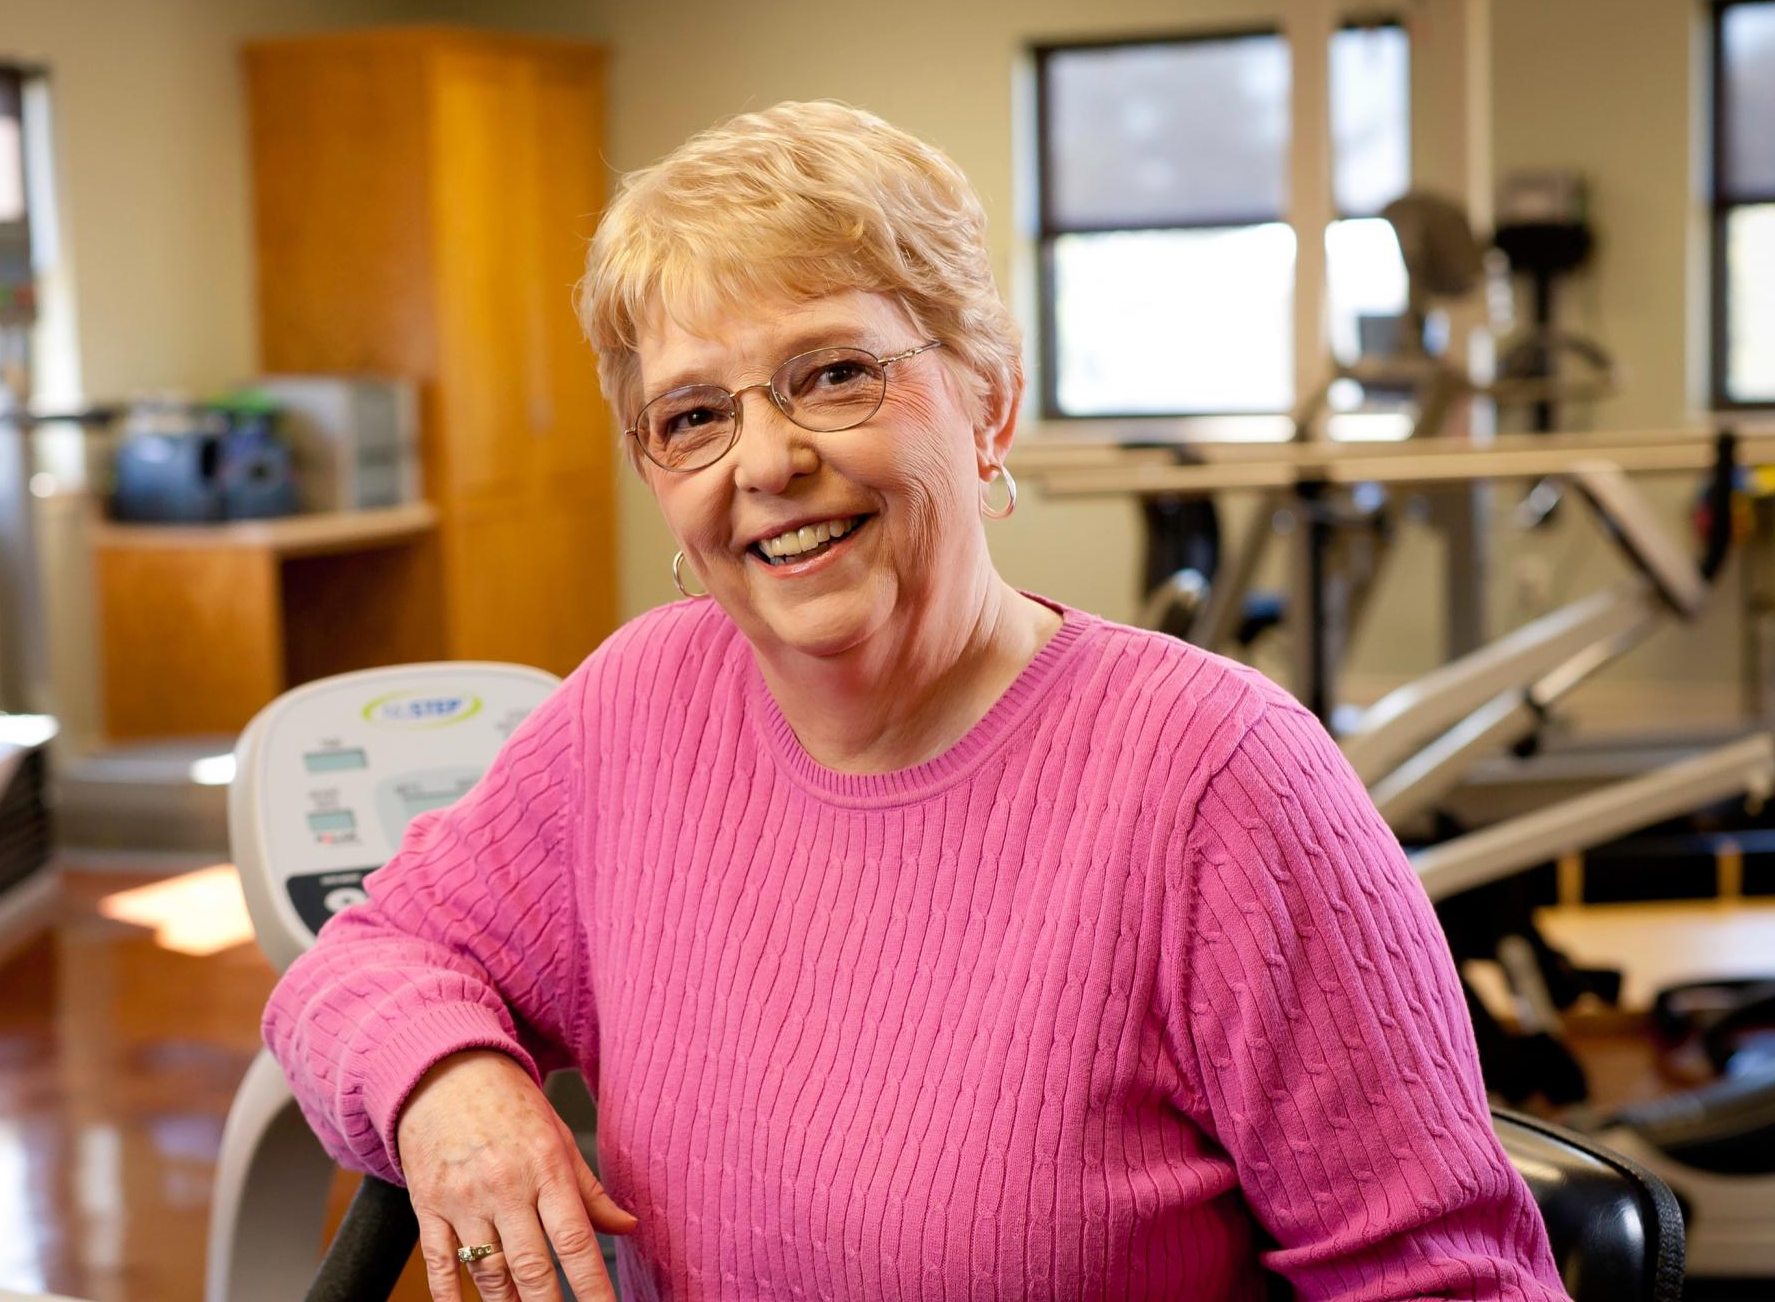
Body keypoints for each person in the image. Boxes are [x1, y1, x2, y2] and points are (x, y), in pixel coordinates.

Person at [262, 101, 1567, 1301]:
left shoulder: (1221, 785)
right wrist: (453, 1086)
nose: (769, 462)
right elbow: (365, 964)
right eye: (695, 415)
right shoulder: (635, 712)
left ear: (987, 403)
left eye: (835, 375)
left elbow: (1451, 1285)